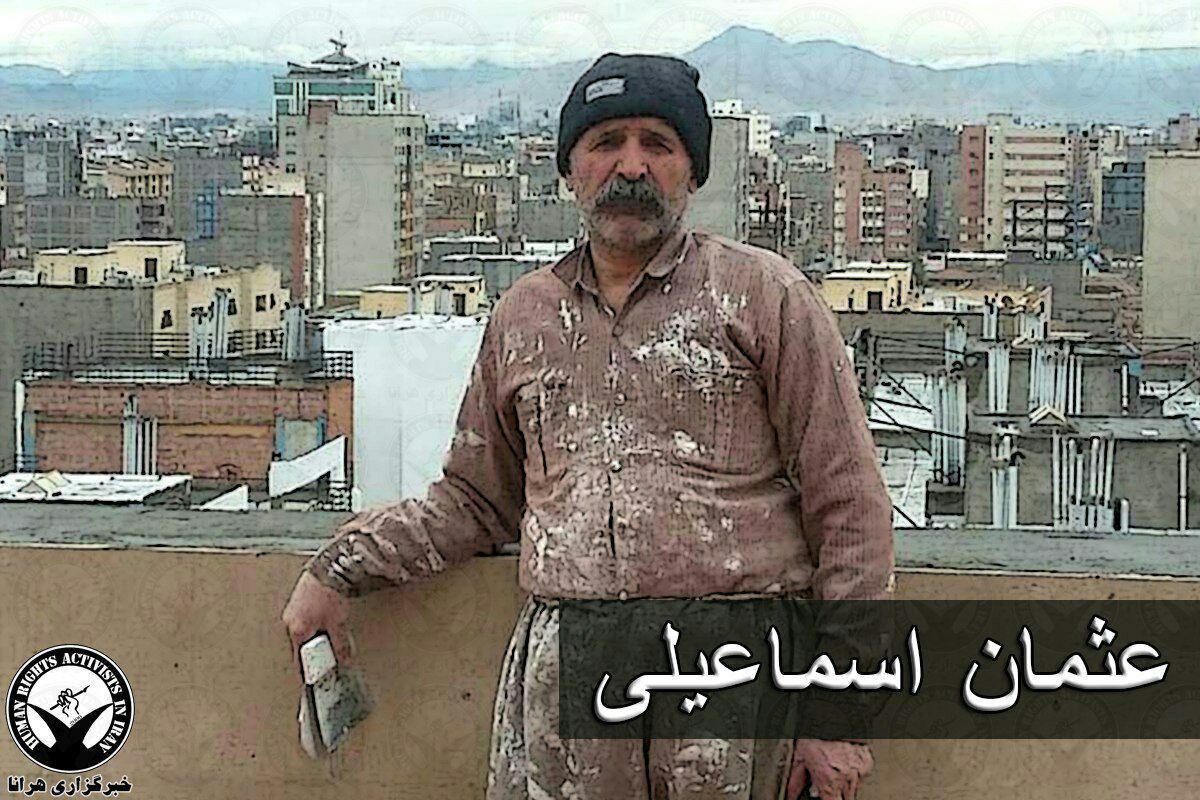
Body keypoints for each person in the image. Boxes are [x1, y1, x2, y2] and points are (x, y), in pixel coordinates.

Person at [283, 52, 895, 799]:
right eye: (606, 142)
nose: (630, 166)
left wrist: (838, 715)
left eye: (657, 145)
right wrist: (338, 568)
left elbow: (850, 509)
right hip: (571, 685)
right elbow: (475, 501)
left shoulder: (765, 298)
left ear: (692, 172)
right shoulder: (524, 317)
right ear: (571, 169)